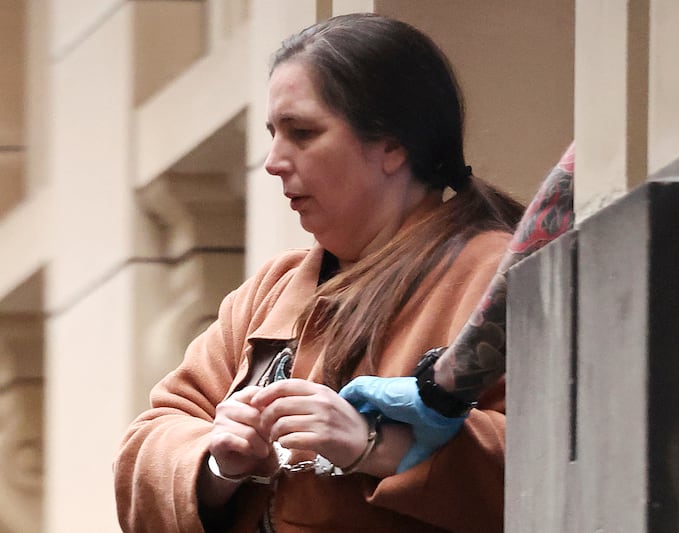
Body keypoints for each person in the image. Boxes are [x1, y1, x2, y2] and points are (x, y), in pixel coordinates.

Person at [114, 13, 523, 532]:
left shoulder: (499, 277)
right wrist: (218, 462)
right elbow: (147, 445)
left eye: (302, 133)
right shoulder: (269, 291)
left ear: (392, 145)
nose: (273, 161)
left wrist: (374, 444)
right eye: (274, 134)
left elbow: (559, 461)